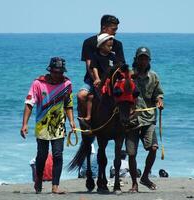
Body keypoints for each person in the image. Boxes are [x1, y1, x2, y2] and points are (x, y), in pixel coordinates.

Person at [20, 57, 76, 194]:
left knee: (58, 155)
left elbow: (68, 105)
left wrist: (72, 121)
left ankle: (55, 186)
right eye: (56, 72)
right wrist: (24, 124)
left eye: (60, 72)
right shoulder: (38, 83)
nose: (58, 75)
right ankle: (38, 180)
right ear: (50, 70)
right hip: (42, 126)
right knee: (42, 155)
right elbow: (29, 104)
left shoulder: (67, 84)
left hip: (59, 126)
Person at [125, 47, 164, 192]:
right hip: (131, 120)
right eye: (140, 58)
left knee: (153, 148)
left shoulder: (153, 76)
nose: (142, 61)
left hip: (148, 119)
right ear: (135, 59)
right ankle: (134, 183)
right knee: (132, 153)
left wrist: (159, 101)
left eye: (145, 58)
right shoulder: (128, 75)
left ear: (149, 60)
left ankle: (145, 177)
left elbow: (158, 94)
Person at [77, 14, 125, 127]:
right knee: (81, 96)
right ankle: (85, 122)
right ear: (104, 28)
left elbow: (120, 64)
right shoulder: (89, 42)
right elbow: (89, 65)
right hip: (93, 80)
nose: (115, 32)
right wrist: (98, 82)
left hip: (113, 81)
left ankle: (129, 120)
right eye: (113, 29)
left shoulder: (117, 44)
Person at [78, 33, 116, 127]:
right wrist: (97, 78)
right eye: (108, 46)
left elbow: (116, 68)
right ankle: (88, 116)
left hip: (110, 82)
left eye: (111, 46)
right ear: (102, 45)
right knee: (91, 97)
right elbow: (94, 68)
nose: (110, 48)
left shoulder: (112, 56)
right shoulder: (95, 56)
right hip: (100, 81)